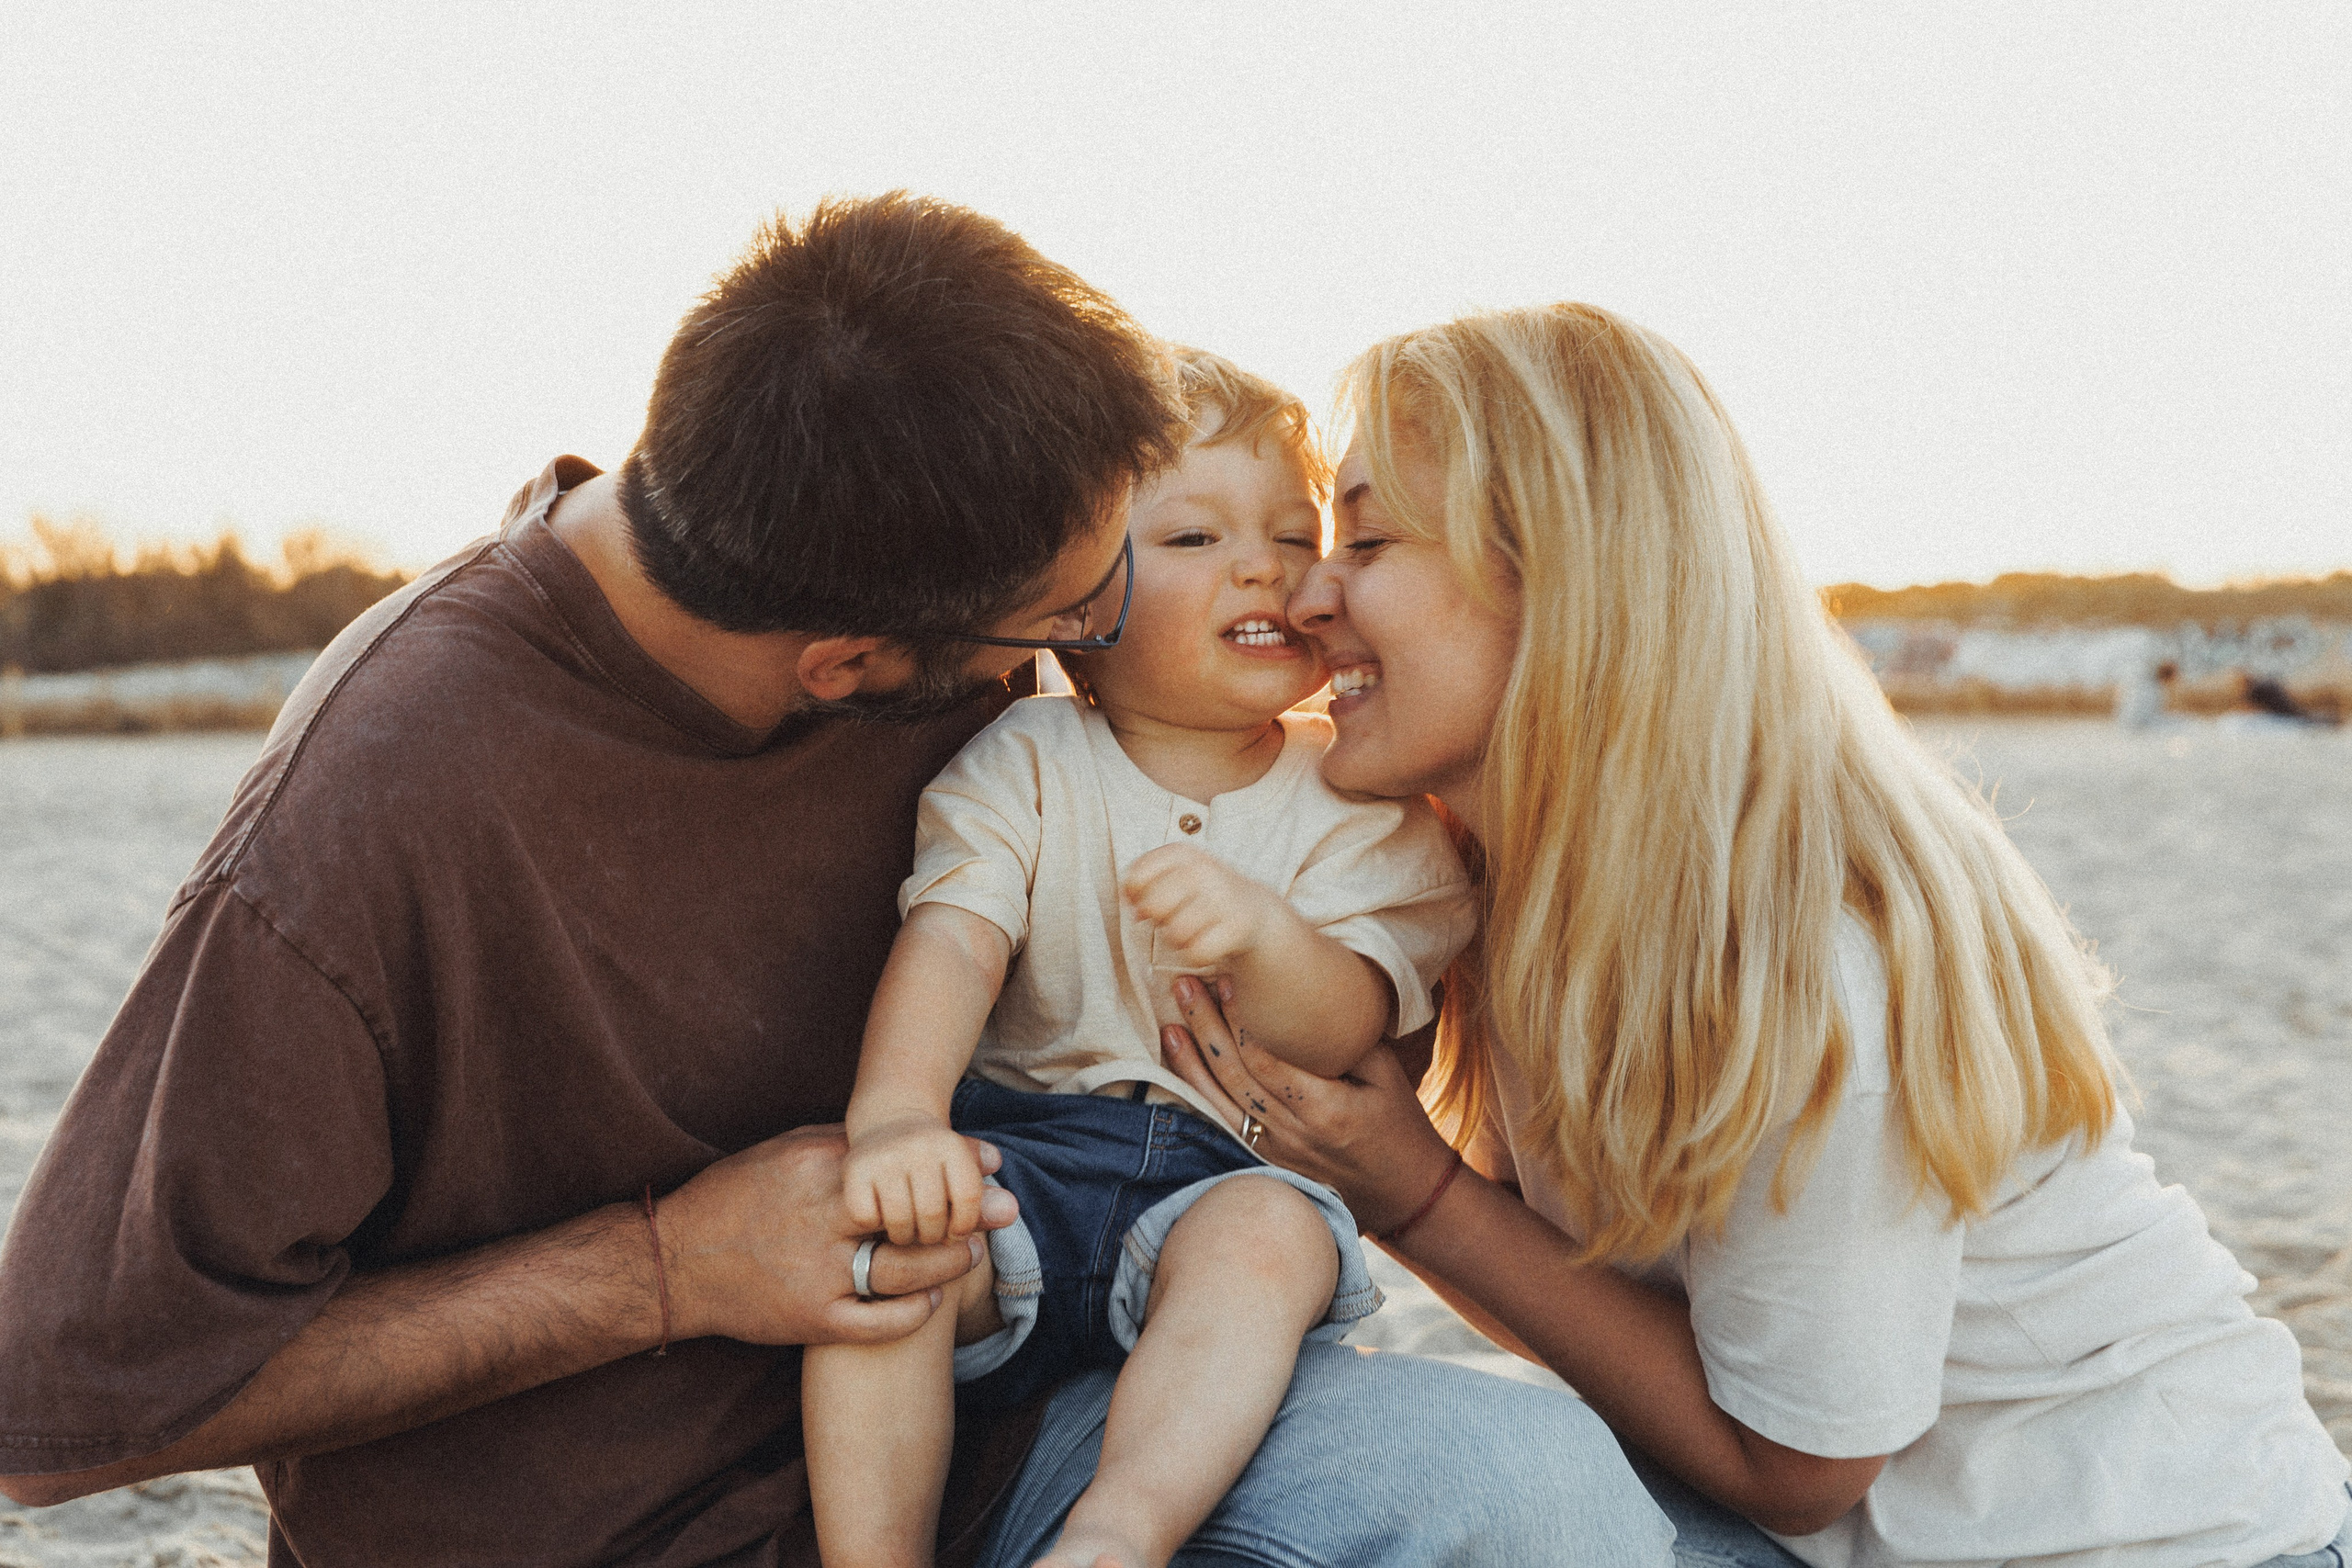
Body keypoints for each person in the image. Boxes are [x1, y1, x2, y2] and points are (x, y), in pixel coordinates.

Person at [0, 203, 1673, 1568]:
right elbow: (71, 1415)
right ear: (855, 664)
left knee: (1520, 1487)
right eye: (1073, 620)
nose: (1093, 654)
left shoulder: (912, 519)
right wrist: (666, 1269)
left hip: (1027, 1412)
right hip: (626, 1532)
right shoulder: (356, 835)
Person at [1160, 302, 2352, 1568]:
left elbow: (1798, 1470)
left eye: (1372, 538)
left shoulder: (1814, 959)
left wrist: (1415, 1191)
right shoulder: (1509, 887)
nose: (1311, 592)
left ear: (1565, 585)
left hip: (2160, 1544)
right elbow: (1600, 1304)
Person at [805, 350, 1479, 1568]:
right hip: (1031, 1145)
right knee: (881, 1263)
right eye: (1194, 540)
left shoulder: (1364, 807)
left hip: (1226, 1174)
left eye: (1294, 531)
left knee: (1270, 1245)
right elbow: (952, 939)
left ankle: (1117, 1535)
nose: (1267, 564)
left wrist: (1267, 942)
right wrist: (899, 1119)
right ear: (1078, 606)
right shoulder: (1027, 760)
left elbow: (1348, 1032)